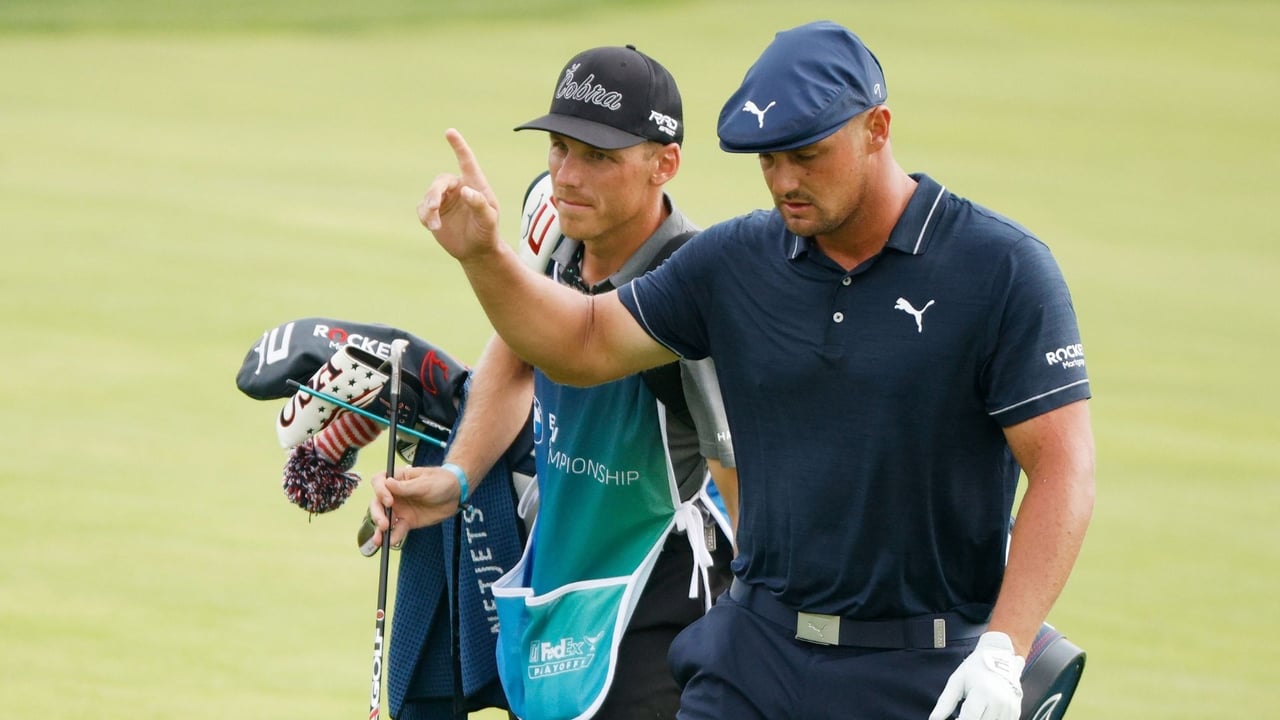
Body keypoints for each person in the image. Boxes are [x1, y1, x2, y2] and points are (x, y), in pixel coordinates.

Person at [406, 19, 1096, 720]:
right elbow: (582, 340)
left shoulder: (1001, 270)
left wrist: (1004, 651)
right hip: (754, 653)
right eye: (768, 160)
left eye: (808, 155)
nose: (785, 182)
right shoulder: (736, 262)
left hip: (919, 662)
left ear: (877, 128)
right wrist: (484, 258)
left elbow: (1063, 467)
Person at [369, 45, 735, 720]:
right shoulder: (562, 248)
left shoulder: (696, 284)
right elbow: (515, 360)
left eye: (599, 156)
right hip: (558, 583)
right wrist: (455, 479)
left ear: (665, 163)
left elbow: (737, 468)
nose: (567, 175)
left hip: (660, 600)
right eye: (560, 147)